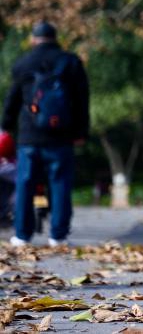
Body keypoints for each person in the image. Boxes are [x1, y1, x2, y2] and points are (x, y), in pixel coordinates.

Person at [1, 21, 90, 247]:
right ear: (55, 37)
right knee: (60, 184)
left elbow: (13, 99)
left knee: (25, 183)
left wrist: (6, 127)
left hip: (29, 136)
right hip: (61, 136)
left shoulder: (23, 63)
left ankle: (22, 235)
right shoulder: (70, 62)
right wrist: (80, 132)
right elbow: (81, 101)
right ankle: (58, 236)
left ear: (33, 39)